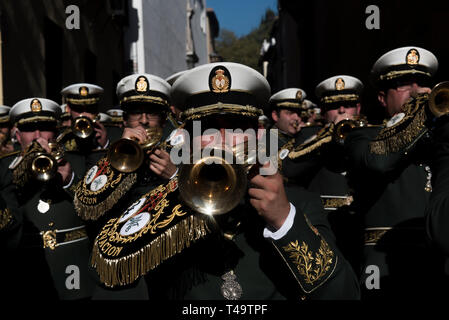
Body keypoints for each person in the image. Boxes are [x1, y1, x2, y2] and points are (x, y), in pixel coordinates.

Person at [87, 62, 360, 300]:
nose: (221, 141)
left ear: (259, 135)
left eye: (236, 126)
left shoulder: (299, 203)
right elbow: (111, 278)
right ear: (187, 139)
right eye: (206, 128)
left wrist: (284, 221)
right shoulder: (159, 199)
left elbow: (344, 293)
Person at [344, 46, 445, 299]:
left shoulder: (439, 135)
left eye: (423, 82)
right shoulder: (361, 136)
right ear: (382, 98)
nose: (417, 90)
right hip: (385, 263)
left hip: (438, 258)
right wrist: (421, 115)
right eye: (403, 84)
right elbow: (378, 161)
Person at [74, 74, 178, 299]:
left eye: (151, 113)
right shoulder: (110, 151)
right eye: (135, 113)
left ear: (163, 118)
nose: (143, 120)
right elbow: (85, 203)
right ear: (124, 120)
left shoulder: (180, 149)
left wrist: (174, 174)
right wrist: (115, 160)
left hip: (168, 268)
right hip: (120, 274)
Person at [0, 97, 94, 300]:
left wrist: (69, 180)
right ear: (17, 134)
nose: (37, 136)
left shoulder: (77, 160)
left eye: (44, 128)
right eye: (29, 129)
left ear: (57, 132)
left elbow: (95, 211)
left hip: (72, 264)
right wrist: (21, 171)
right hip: (26, 266)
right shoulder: (5, 167)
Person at [302, 75, 366, 273]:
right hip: (326, 235)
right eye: (334, 105)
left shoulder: (371, 135)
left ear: (358, 108)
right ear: (323, 111)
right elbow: (290, 166)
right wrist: (328, 135)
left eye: (348, 104)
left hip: (362, 234)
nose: (341, 110)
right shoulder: (310, 139)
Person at [267, 88, 322, 187]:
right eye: (290, 112)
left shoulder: (301, 136)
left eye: (299, 113)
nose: (297, 118)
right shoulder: (266, 142)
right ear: (275, 116)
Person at [60, 83, 110, 154]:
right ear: (68, 108)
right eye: (78, 109)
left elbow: (109, 165)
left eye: (90, 109)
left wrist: (104, 146)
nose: (85, 115)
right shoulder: (60, 137)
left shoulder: (110, 134)